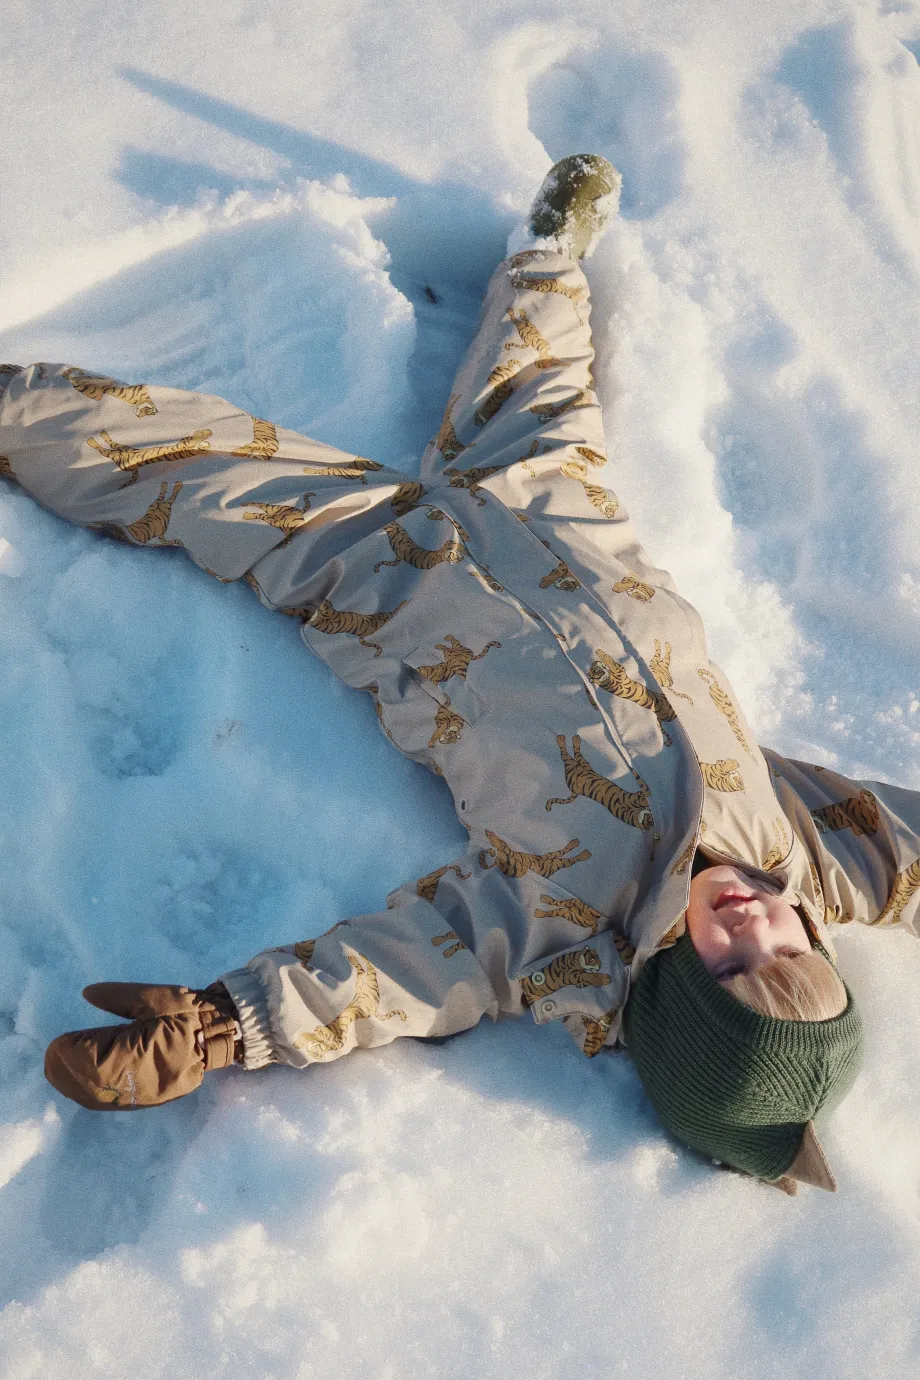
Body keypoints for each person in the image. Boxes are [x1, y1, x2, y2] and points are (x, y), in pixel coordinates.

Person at [3, 154, 907, 1197]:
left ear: (676, 1003)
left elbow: (394, 976)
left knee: (192, 471)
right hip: (556, 508)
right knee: (539, 370)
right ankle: (546, 255)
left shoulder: (563, 934)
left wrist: (218, 1028)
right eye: (787, 950)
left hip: (378, 570)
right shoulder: (804, 854)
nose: (753, 927)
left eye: (733, 970)